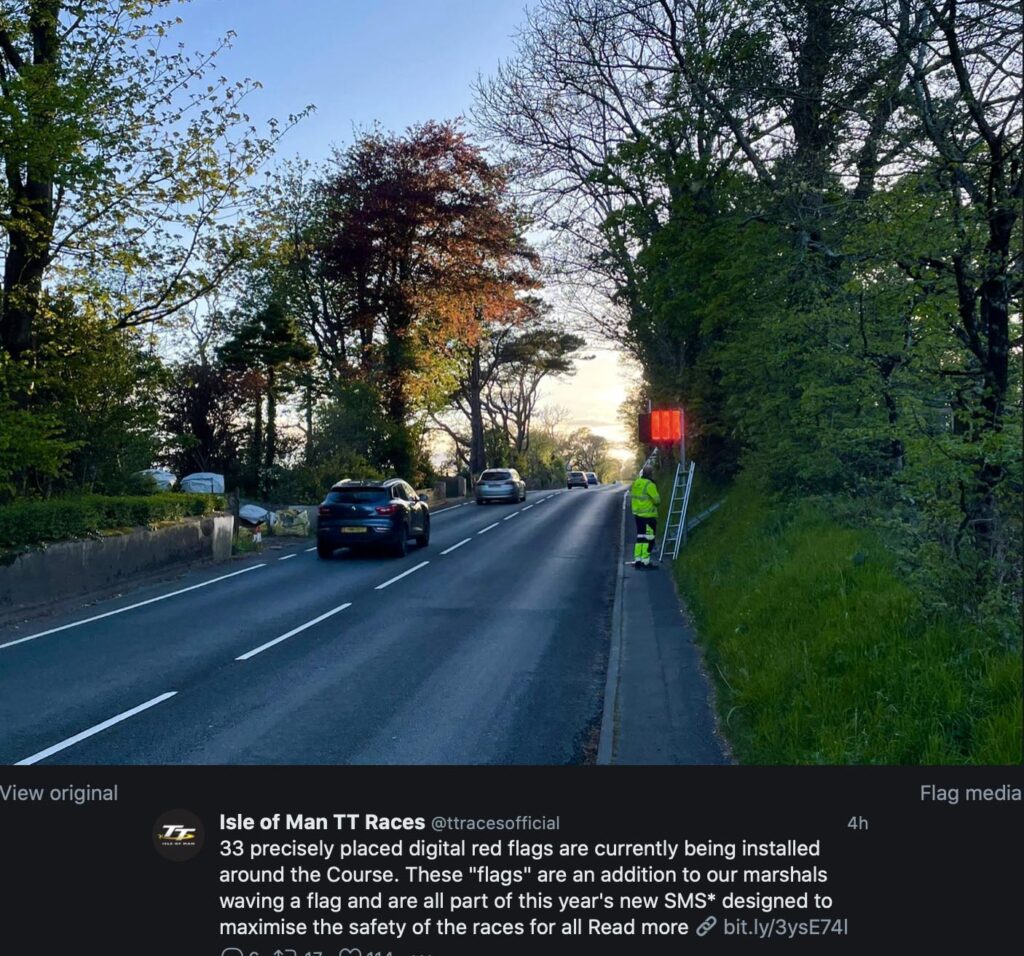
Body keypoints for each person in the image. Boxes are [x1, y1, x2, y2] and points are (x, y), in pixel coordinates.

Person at [630, 464, 660, 569]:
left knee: (640, 537)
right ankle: (645, 562)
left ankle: (638, 561)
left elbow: (633, 496)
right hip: (648, 516)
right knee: (649, 539)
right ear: (651, 473)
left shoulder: (636, 483)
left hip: (638, 515)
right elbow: (657, 500)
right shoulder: (650, 485)